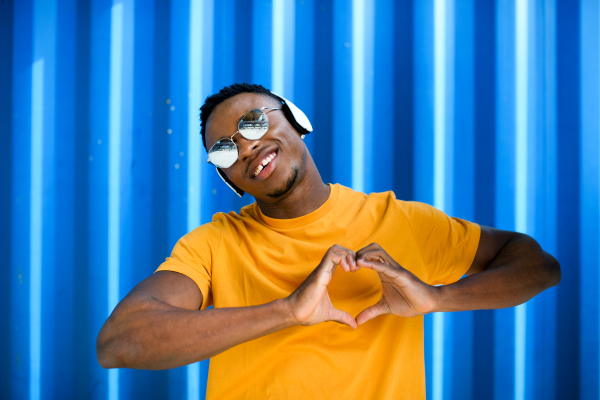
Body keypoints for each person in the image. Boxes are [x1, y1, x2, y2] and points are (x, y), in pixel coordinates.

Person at [96, 83, 561, 399]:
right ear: (228, 176)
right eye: (225, 149)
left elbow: (537, 264)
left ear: (295, 120)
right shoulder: (215, 243)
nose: (246, 146)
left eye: (255, 123)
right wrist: (287, 310)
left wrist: (438, 297)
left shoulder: (399, 221)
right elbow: (119, 341)